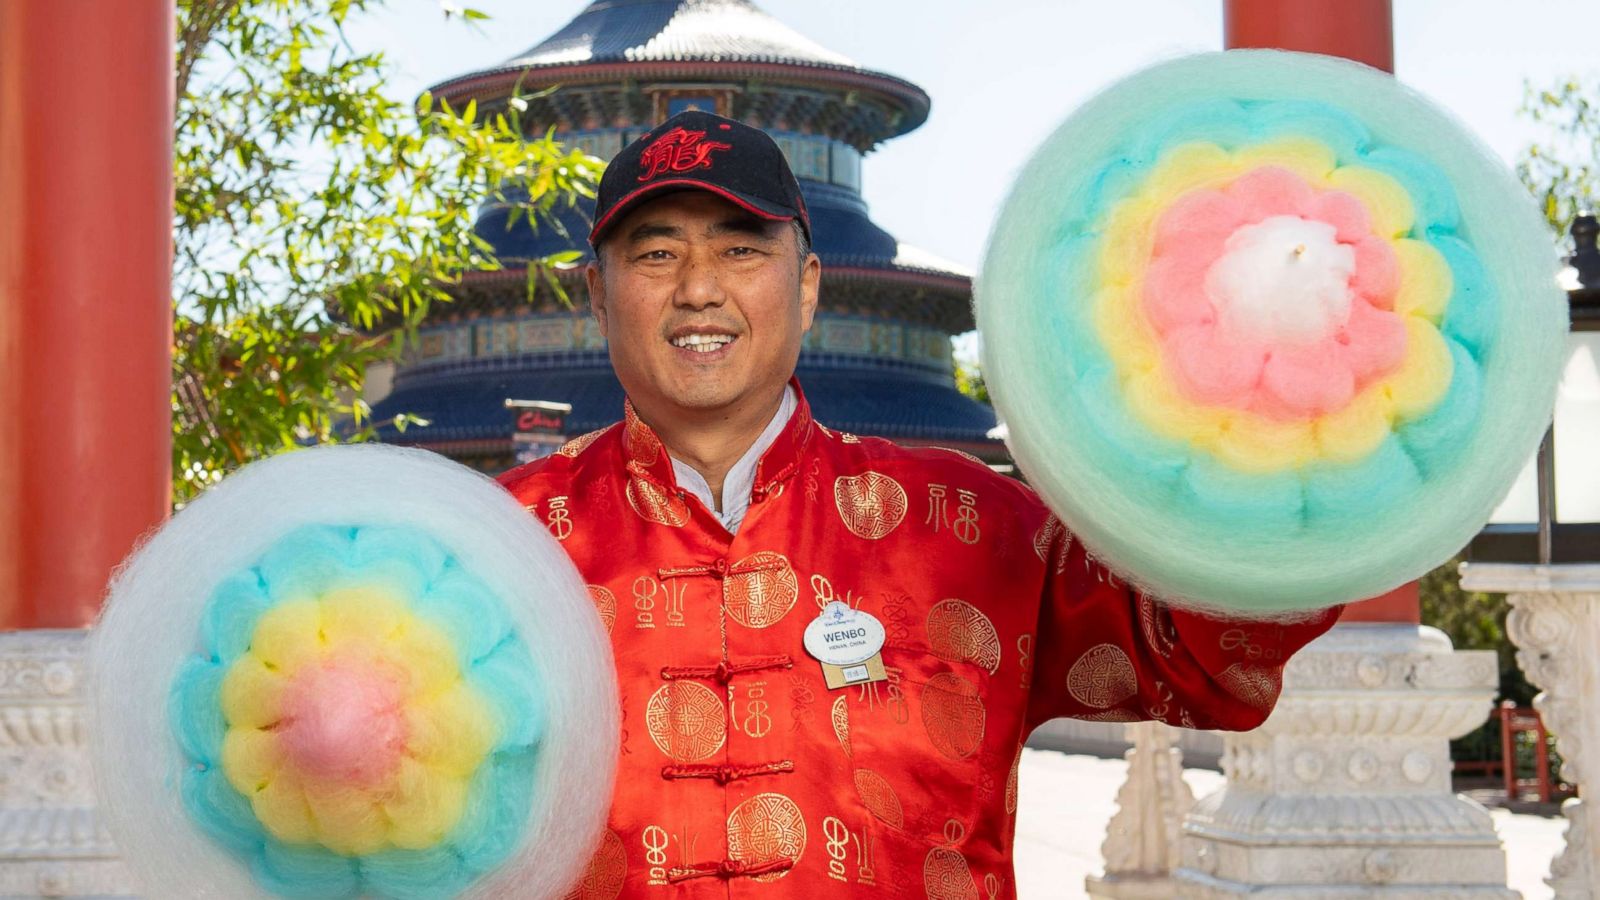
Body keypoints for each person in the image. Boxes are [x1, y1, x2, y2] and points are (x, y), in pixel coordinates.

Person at [497, 110, 1340, 898]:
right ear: (600, 296)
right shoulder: (499, 552)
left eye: (741, 251)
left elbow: (1196, 650)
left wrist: (1283, 410)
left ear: (809, 285)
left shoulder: (966, 522)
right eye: (655, 255)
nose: (698, 291)